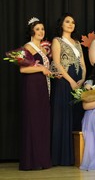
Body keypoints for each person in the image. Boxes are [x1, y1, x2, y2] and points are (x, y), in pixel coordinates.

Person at [50, 13, 86, 165]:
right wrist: (71, 81)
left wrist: (82, 79)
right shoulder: (57, 41)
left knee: (76, 116)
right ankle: (62, 156)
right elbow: (57, 63)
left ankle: (76, 156)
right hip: (65, 83)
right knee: (64, 116)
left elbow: (83, 64)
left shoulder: (77, 42)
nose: (71, 24)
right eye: (67, 21)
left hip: (78, 83)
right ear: (62, 24)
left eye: (73, 22)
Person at [19, 17, 52, 170]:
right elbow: (23, 69)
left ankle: (41, 159)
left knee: (41, 121)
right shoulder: (28, 46)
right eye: (37, 29)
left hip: (42, 87)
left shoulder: (43, 49)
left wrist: (51, 73)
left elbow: (43, 69)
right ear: (32, 31)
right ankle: (31, 160)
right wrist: (41, 69)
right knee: (33, 120)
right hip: (32, 88)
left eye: (42, 29)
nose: (41, 31)